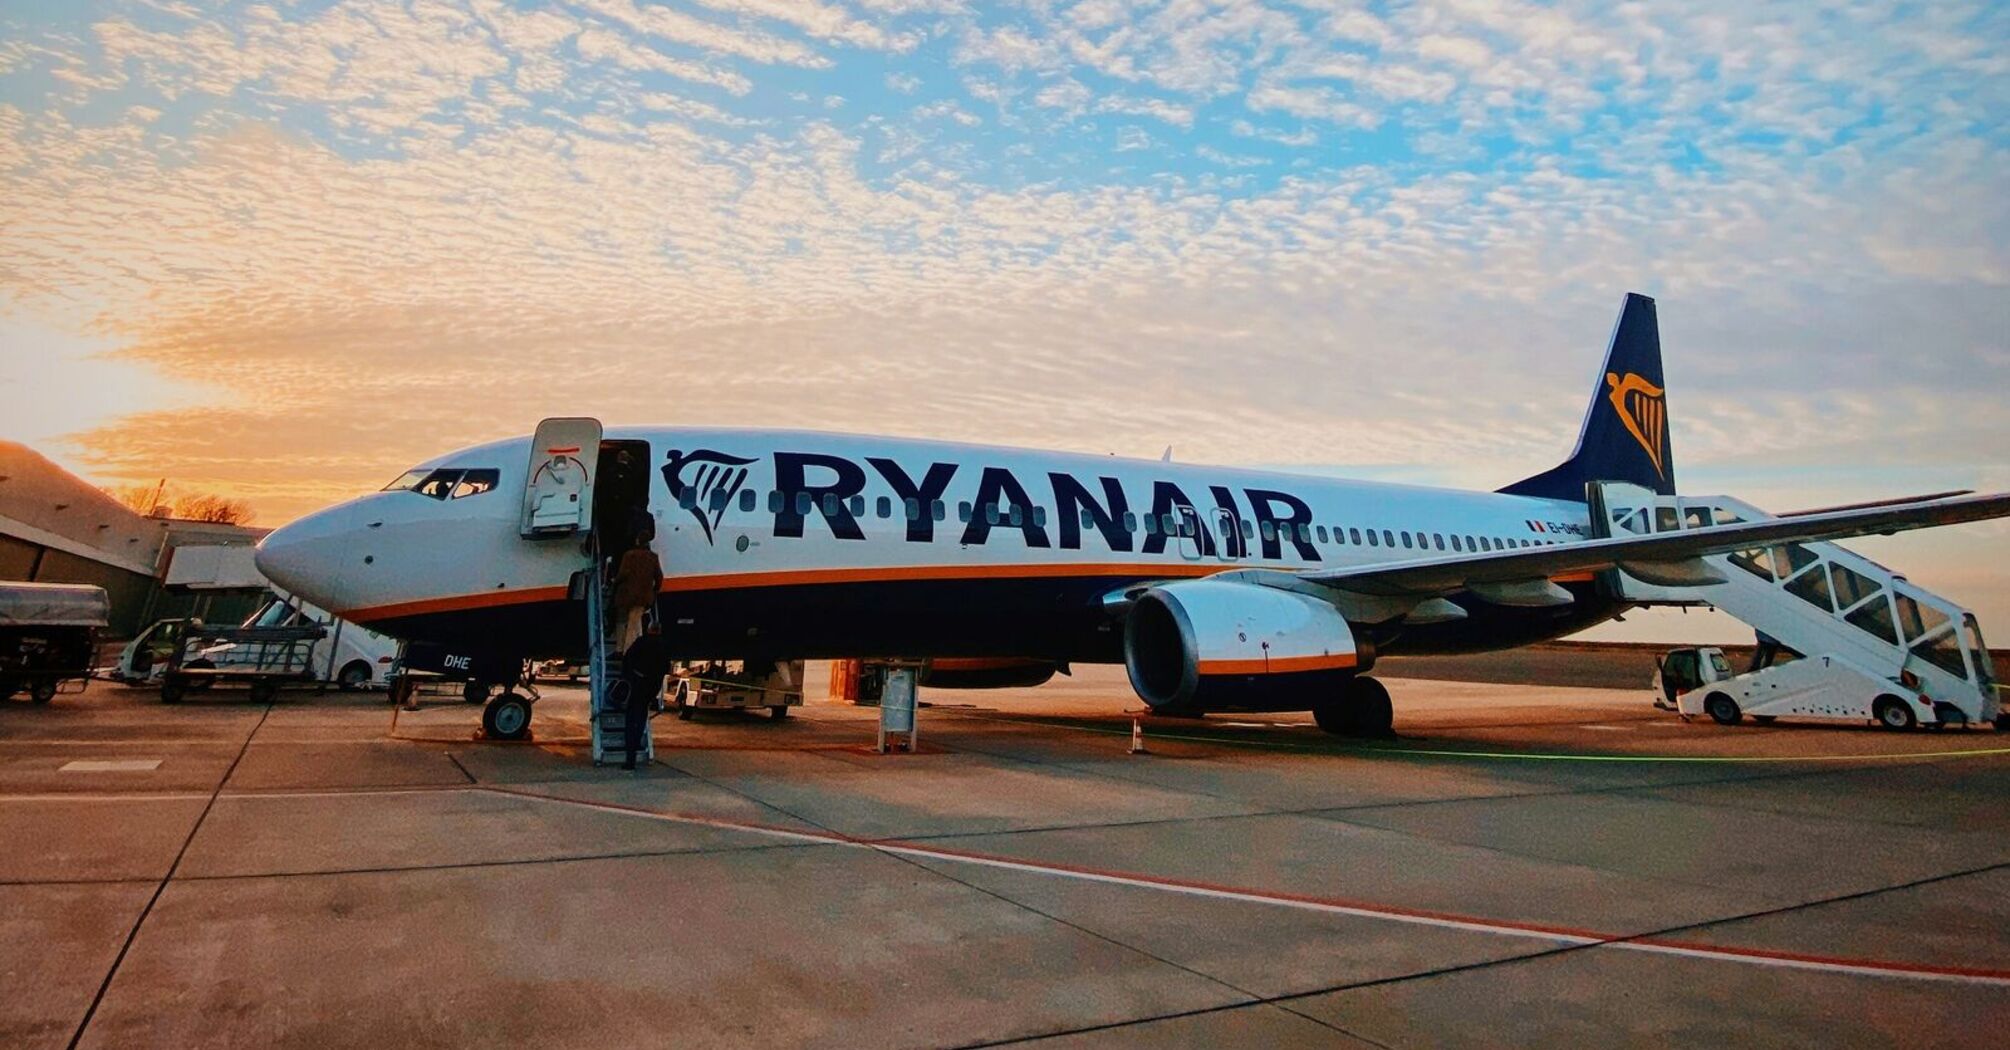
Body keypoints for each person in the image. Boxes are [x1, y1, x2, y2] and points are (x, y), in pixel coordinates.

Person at [620, 620, 670, 770]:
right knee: (641, 718)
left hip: (637, 685)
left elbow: (628, 659)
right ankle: (636, 746)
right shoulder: (663, 645)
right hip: (651, 688)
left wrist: (627, 677)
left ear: (648, 630)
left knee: (630, 720)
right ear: (659, 631)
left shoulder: (641, 642)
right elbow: (666, 667)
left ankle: (630, 758)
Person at [610, 531, 662, 650]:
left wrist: (615, 583)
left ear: (637, 541)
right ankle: (629, 650)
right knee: (634, 623)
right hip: (643, 596)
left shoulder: (629, 555)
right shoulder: (653, 557)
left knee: (621, 621)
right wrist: (655, 589)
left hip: (626, 595)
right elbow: (659, 576)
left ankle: (620, 648)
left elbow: (623, 574)